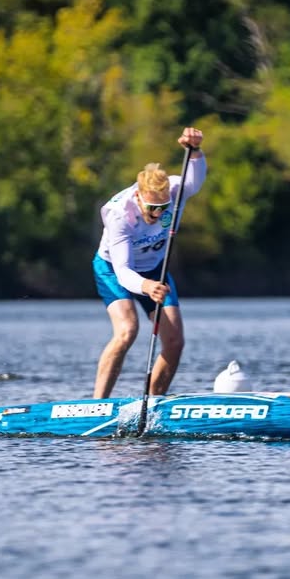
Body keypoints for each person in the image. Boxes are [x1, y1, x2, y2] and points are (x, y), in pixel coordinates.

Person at [92, 127, 206, 398]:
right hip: (114, 270)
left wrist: (196, 150)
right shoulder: (119, 215)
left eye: (164, 207)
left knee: (175, 341)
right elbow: (123, 271)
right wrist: (147, 287)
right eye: (152, 208)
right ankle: (98, 404)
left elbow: (195, 181)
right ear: (138, 197)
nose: (158, 213)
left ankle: (154, 402)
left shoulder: (174, 193)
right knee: (127, 331)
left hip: (156, 269)